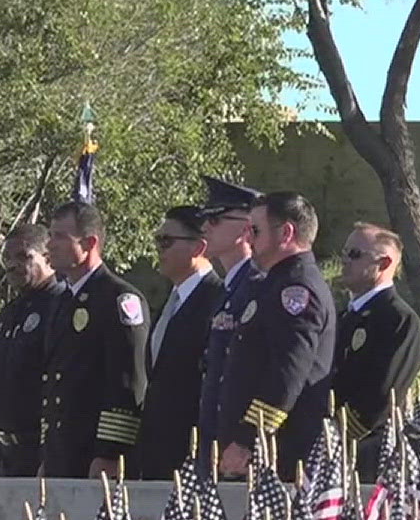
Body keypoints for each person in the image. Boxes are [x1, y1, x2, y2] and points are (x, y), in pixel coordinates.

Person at [217, 191, 335, 479]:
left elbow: (287, 372)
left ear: (286, 233)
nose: (248, 239)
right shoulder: (274, 283)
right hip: (265, 450)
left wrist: (249, 439)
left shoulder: (295, 290)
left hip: (279, 451)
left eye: (255, 231)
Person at [39, 200, 150, 479]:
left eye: (60, 237)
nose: (50, 245)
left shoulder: (118, 299)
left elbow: (128, 382)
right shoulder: (63, 300)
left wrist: (110, 453)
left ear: (89, 243)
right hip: (62, 451)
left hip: (94, 453)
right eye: (50, 235)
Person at [132, 206, 224, 480]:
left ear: (198, 247)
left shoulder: (217, 299)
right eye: (158, 240)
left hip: (193, 452)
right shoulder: (171, 302)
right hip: (157, 452)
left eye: (166, 241)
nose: (159, 250)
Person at [330, 223, 420, 482]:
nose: (345, 261)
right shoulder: (347, 316)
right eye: (345, 252)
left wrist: (339, 433)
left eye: (355, 254)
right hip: (332, 446)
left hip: (368, 446)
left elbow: (383, 393)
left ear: (384, 263)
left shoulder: (397, 318)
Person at [0, 224, 64, 477]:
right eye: (6, 257)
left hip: (37, 451)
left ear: (48, 258)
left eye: (23, 257)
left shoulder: (59, 307)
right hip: (3, 451)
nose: (11, 265)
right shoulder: (11, 311)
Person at [195, 176, 262, 467]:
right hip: (214, 433)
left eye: (216, 218)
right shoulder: (228, 289)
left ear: (247, 228)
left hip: (239, 445)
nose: (205, 227)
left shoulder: (257, 286)